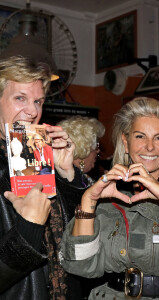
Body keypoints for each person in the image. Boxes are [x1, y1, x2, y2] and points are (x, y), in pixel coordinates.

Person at [60, 97, 159, 300]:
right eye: (140, 137)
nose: (150, 147)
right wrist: (88, 200)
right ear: (126, 143)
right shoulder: (108, 189)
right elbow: (80, 265)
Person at [0, 56, 87, 300]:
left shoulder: (39, 153)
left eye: (38, 100)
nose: (33, 111)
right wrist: (28, 227)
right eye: (20, 98)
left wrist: (68, 175)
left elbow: (79, 232)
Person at [58, 115, 105, 185]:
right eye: (96, 145)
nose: (98, 150)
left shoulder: (84, 178)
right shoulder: (72, 181)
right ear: (84, 148)